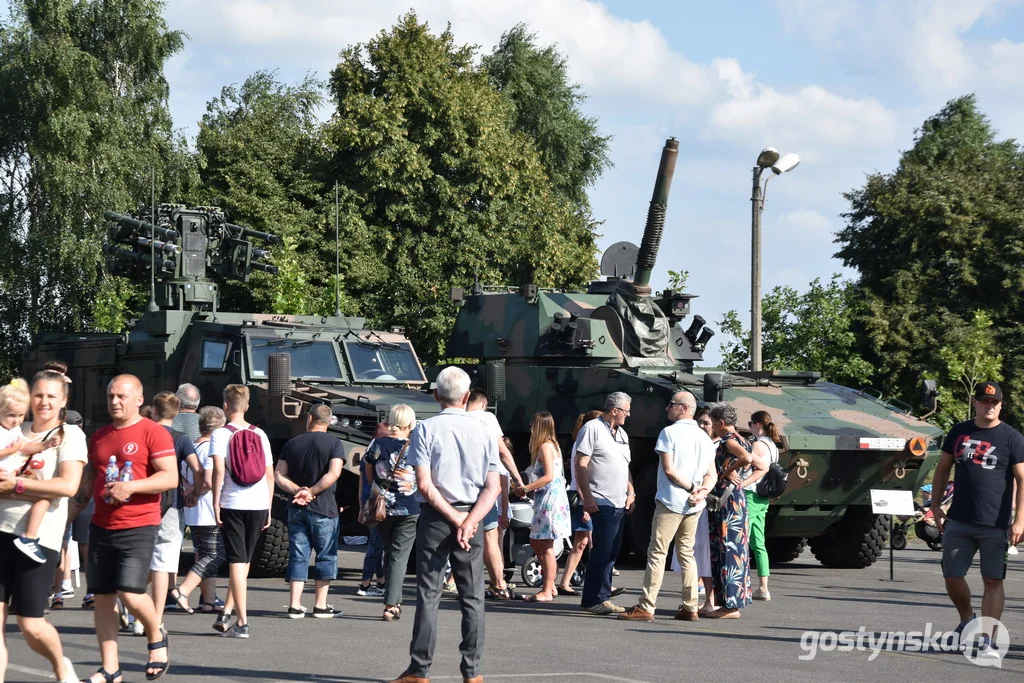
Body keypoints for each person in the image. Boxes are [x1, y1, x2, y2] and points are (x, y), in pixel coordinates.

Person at [387, 367, 500, 683]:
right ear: (466, 397)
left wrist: (454, 518)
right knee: (473, 595)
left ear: (436, 395)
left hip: (438, 517)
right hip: (473, 518)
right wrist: (469, 520)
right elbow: (493, 487)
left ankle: (419, 671)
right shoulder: (485, 431)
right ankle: (472, 673)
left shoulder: (425, 429)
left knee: (428, 593)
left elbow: (423, 485)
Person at [74, 374, 178, 681]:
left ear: (139, 400)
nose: (115, 402)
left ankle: (156, 633)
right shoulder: (99, 436)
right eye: (110, 397)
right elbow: (90, 480)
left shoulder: (153, 432)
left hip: (138, 525)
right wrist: (68, 512)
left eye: (121, 396)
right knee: (103, 597)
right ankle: (110, 668)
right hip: (100, 526)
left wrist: (130, 487)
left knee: (130, 593)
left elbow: (170, 478)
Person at [0, 364, 87, 683]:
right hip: (1, 532)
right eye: (38, 394)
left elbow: (67, 486)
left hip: (37, 539)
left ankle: (61, 664)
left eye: (51, 395)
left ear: (63, 400)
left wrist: (17, 486)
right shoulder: (14, 431)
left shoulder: (69, 436)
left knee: (30, 623)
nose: (43, 401)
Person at [931, 381, 1024, 658]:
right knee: (951, 574)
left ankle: (987, 639)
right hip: (959, 520)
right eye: (984, 401)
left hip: (996, 524)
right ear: (975, 403)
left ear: (1001, 405)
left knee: (993, 580)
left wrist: (1020, 520)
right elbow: (942, 469)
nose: (990, 406)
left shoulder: (1012, 438)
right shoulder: (959, 431)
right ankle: (967, 618)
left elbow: (1022, 479)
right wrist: (935, 505)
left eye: (994, 402)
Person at [619, 392, 716, 622]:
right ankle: (690, 605)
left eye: (671, 405)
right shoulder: (704, 437)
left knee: (657, 553)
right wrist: (702, 491)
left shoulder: (668, 433)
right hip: (695, 505)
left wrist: (692, 487)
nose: (667, 408)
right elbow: (712, 474)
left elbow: (670, 470)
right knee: (686, 553)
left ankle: (646, 606)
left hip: (672, 500)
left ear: (683, 408)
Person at [210, 384, 274, 638]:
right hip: (258, 503)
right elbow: (269, 475)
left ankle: (242, 622)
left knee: (236, 561)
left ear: (225, 405)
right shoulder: (260, 434)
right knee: (244, 560)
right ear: (247, 406)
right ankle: (226, 612)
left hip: (234, 502)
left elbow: (217, 471)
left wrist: (216, 502)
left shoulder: (220, 434)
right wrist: (269, 507)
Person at [275, 404, 344, 619]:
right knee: (326, 556)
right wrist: (312, 492)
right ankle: (320, 605)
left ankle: (294, 605)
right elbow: (334, 473)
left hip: (296, 508)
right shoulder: (335, 443)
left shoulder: (292, 443)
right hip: (324, 508)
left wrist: (299, 491)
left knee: (298, 555)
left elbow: (279, 475)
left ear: (309, 418)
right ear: (329, 421)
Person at [576, 392, 635, 615]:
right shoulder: (592, 428)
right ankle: (594, 599)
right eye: (626, 411)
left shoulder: (622, 434)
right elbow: (580, 462)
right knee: (602, 550)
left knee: (612, 551)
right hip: (601, 500)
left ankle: (602, 596)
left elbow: (624, 465)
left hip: (620, 500)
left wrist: (632, 491)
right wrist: (587, 496)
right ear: (615, 411)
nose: (628, 415)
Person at [149, 392, 203, 626]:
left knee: (141, 558)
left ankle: (129, 605)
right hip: (170, 503)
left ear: (153, 410)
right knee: (163, 561)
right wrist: (195, 492)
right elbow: (198, 469)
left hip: (143, 501)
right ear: (178, 413)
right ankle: (155, 618)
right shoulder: (181, 439)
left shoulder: (145, 433)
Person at [362, 404, 418, 621]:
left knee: (390, 551)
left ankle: (396, 599)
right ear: (410, 424)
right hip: (409, 506)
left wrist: (375, 487)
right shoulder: (414, 445)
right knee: (399, 556)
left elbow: (368, 467)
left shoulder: (377, 443)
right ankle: (391, 604)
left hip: (381, 507)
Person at [466, 390, 520, 601]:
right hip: (484, 486)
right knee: (490, 536)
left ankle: (457, 582)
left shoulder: (453, 418)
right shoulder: (487, 417)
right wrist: (518, 479)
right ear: (483, 403)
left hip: (457, 487)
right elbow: (503, 452)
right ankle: (498, 584)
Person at [172, 406, 226, 613]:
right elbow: (210, 480)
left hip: (193, 511)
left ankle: (208, 601)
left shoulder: (192, 447)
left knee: (202, 552)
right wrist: (195, 493)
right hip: (207, 509)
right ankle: (183, 590)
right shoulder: (211, 450)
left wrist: (188, 493)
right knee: (215, 555)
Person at [513, 412, 571, 603]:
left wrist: (526, 488)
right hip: (544, 499)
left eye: (532, 423)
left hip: (550, 501)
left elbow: (548, 476)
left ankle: (547, 589)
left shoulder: (546, 446)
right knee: (536, 541)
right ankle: (550, 585)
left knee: (545, 545)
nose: (530, 427)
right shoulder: (548, 446)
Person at [705, 403, 753, 619]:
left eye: (713, 422)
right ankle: (731, 601)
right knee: (736, 548)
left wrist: (726, 471)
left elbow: (746, 458)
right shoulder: (744, 438)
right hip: (737, 498)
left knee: (726, 547)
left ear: (721, 423)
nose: (712, 426)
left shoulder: (728, 440)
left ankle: (729, 605)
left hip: (726, 500)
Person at [0, 378, 51, 564]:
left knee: (43, 497)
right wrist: (12, 451)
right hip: (5, 475)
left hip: (11, 475)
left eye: (21, 416)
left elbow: (25, 446)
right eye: (11, 415)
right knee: (43, 497)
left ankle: (29, 537)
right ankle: (29, 537)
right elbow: (17, 448)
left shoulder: (14, 431)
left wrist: (43, 445)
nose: (17, 420)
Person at [556, 410, 602, 597]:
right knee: (592, 542)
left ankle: (565, 582)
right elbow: (580, 475)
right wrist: (586, 503)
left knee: (582, 542)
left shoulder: (581, 443)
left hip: (584, 495)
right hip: (583, 496)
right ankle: (600, 582)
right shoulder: (582, 444)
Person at [745, 410, 778, 601]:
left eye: (750, 423)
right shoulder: (773, 445)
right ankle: (763, 587)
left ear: (757, 424)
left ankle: (738, 583)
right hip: (763, 498)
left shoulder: (757, 445)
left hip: (751, 494)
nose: (750, 427)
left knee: (741, 539)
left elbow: (745, 464)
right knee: (759, 543)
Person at [693, 407, 717, 615]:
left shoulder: (718, 445)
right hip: (698, 505)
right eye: (699, 422)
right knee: (697, 554)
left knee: (707, 555)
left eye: (706, 423)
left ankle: (710, 600)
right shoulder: (700, 443)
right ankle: (699, 599)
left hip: (712, 508)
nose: (701, 426)